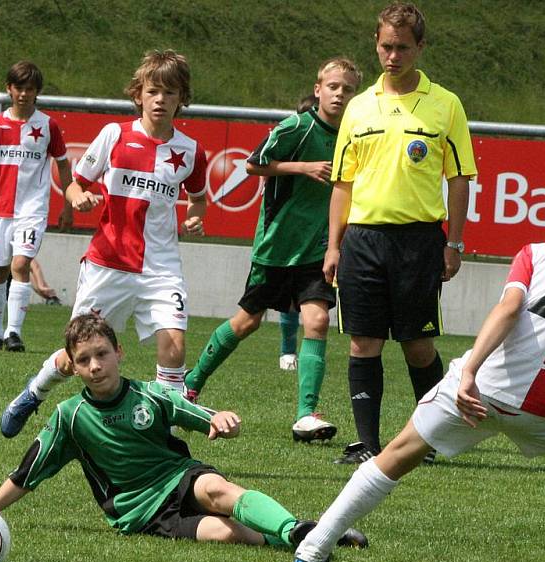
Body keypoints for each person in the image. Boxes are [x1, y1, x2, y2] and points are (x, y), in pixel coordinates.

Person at [293, 187, 545, 562]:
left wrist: (469, 371)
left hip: (481, 392)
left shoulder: (537, 253)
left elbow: (507, 310)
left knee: (395, 456)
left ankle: (313, 547)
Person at [0, 314, 368, 550]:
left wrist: (223, 422)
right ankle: (303, 535)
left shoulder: (151, 395)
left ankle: (301, 531)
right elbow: (25, 475)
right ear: (72, 366)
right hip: (138, 513)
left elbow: (206, 418)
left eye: (102, 354)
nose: (95, 366)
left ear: (119, 352)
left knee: (217, 489)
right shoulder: (69, 417)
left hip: (178, 476)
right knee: (229, 535)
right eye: (84, 360)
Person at [0, 50, 207, 438]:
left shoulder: (191, 151)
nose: (161, 99)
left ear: (182, 98)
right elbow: (77, 182)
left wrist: (197, 216)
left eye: (170, 92)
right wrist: (76, 197)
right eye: (153, 91)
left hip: (161, 267)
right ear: (139, 95)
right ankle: (34, 391)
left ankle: (164, 440)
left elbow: (197, 198)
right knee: (77, 354)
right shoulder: (114, 135)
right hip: (108, 264)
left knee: (174, 347)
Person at [325, 3, 477, 465]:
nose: (393, 56)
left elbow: (459, 177)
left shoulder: (445, 104)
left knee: (417, 344)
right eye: (386, 46)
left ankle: (427, 441)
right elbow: (343, 183)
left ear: (420, 47)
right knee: (362, 342)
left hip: (419, 240)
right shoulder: (358, 107)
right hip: (363, 240)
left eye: (403, 47)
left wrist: (453, 242)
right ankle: (369, 445)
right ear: (376, 43)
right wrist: (333, 245)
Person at [183, 58, 362, 442]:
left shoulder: (354, 135)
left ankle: (306, 415)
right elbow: (253, 165)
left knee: (316, 321)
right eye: (333, 87)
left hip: (317, 250)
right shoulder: (296, 126)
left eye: (347, 89)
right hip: (277, 247)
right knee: (246, 322)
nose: (339, 94)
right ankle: (191, 384)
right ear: (318, 89)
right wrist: (303, 167)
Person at [0, 60, 73, 352]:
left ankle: (14, 333)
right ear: (9, 89)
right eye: (19, 88)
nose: (23, 94)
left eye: (29, 89)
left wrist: (68, 204)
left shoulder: (47, 126)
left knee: (21, 264)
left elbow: (63, 164)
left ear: (37, 92)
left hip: (31, 211)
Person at [276, 93, 318, 373]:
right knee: (286, 298)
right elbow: (256, 166)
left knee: (317, 306)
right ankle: (287, 350)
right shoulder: (288, 149)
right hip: (289, 232)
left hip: (321, 233)